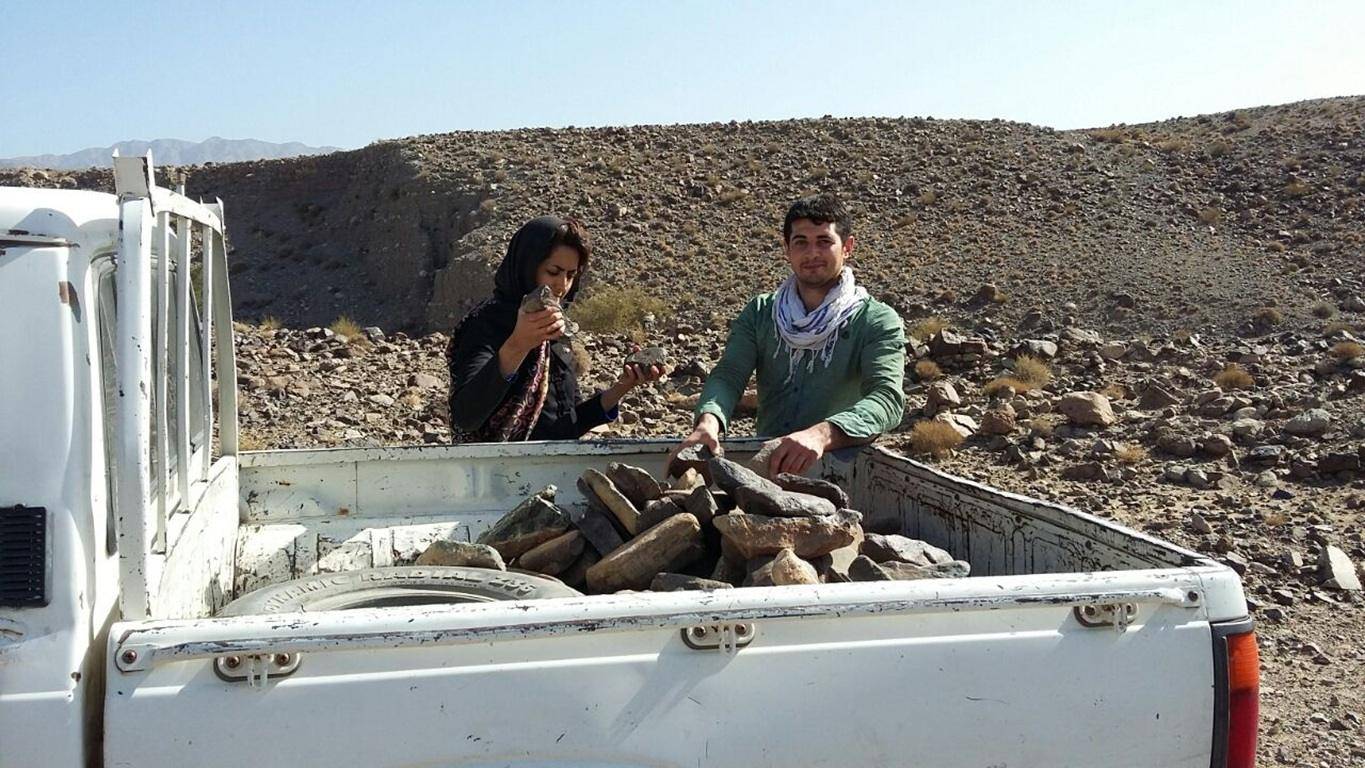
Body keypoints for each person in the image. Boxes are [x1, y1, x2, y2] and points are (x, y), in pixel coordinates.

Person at [676, 194, 905, 476]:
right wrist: (708, 422)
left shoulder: (875, 320)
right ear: (787, 249)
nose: (812, 254)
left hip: (841, 470)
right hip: (768, 467)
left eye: (824, 241)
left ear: (847, 247)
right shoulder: (762, 313)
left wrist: (820, 435)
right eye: (801, 243)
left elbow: (887, 399)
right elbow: (729, 375)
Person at [447, 216, 663, 442]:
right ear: (527, 266)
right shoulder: (486, 323)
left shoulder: (556, 334)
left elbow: (566, 425)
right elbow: (466, 415)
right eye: (553, 272)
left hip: (554, 468)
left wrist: (622, 387)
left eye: (571, 275)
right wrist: (518, 345)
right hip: (498, 471)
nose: (562, 286)